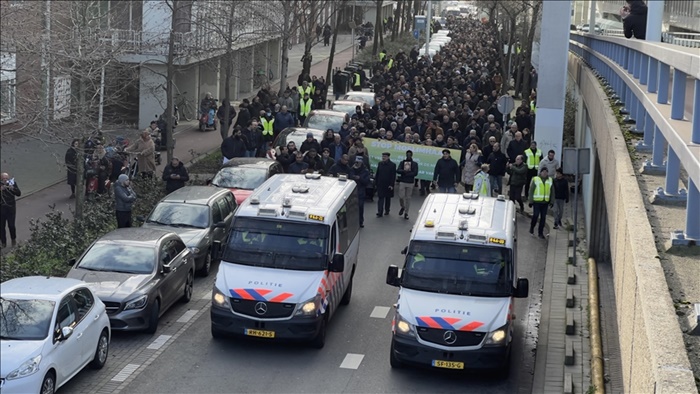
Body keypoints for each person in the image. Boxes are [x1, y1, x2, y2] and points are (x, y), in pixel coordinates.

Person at [528, 167, 554, 239]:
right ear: (541, 172)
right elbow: (531, 190)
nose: (545, 173)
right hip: (537, 202)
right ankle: (532, 228)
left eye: (546, 172)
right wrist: (530, 201)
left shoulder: (550, 180)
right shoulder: (536, 179)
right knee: (535, 216)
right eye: (543, 172)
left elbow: (552, 192)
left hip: (545, 202)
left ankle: (540, 233)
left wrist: (552, 201)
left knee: (543, 218)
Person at [0, 173, 21, 248]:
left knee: (11, 225)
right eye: (3, 178)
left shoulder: (12, 183)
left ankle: (13, 239)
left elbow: (18, 193)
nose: (5, 180)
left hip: (10, 208)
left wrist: (12, 188)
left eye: (6, 178)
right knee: (1, 227)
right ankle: (3, 242)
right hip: (2, 209)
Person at [396, 150, 418, 220]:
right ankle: (403, 206)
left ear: (411, 155)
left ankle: (406, 213)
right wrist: (404, 171)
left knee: (408, 198)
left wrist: (407, 173)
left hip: (410, 182)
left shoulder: (414, 164)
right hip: (403, 181)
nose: (408, 156)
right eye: (407, 154)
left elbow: (415, 173)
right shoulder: (402, 163)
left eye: (409, 155)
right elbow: (398, 170)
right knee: (401, 196)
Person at [350, 156, 370, 228]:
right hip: (352, 190)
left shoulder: (365, 171)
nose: (357, 164)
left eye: (358, 162)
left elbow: (366, 182)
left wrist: (360, 178)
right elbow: (350, 177)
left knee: (360, 207)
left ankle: (360, 221)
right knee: (351, 208)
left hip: (360, 190)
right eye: (356, 162)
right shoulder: (352, 169)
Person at [375, 152, 396, 217]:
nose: (383, 158)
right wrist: (376, 182)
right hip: (380, 184)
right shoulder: (380, 164)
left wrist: (391, 185)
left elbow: (393, 176)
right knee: (380, 198)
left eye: (385, 156)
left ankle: (387, 210)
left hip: (388, 184)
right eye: (383, 156)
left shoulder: (392, 165)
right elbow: (377, 173)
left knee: (387, 198)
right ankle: (380, 212)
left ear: (388, 157)